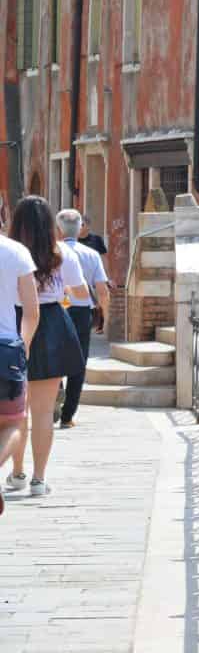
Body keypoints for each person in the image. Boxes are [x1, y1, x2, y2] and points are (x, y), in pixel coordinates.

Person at [5, 197, 86, 498]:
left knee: (16, 412)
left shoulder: (10, 252)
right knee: (42, 411)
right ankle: (39, 479)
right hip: (52, 323)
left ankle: (17, 473)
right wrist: (60, 287)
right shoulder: (61, 253)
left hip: (13, 324)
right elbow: (80, 291)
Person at [56, 209, 109, 429]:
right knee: (79, 361)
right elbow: (102, 291)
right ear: (80, 229)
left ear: (59, 229)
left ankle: (54, 395)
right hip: (81, 312)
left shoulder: (50, 252)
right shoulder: (91, 255)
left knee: (53, 356)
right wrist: (104, 315)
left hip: (54, 310)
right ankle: (67, 416)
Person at [0, 227, 34, 514]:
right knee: (12, 423)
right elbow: (32, 312)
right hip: (5, 350)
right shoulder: (15, 252)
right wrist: (23, 347)